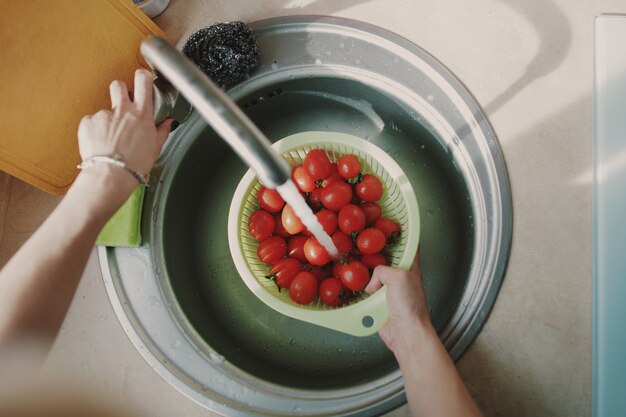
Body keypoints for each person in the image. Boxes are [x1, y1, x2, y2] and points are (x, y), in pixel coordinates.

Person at [0, 69, 482, 417]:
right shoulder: (332, 229)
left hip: (332, 241)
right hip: (337, 242)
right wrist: (412, 332)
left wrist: (105, 179)